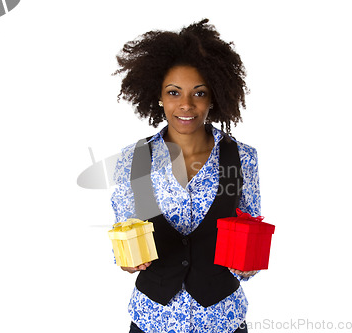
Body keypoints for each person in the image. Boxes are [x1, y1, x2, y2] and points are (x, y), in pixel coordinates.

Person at [111, 19, 261, 333]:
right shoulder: (133, 159)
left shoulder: (242, 157)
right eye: (174, 92)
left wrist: (248, 264)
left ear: (214, 97)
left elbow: (252, 226)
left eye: (199, 93)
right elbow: (124, 230)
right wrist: (126, 260)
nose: (186, 105)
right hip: (153, 320)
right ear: (159, 96)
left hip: (222, 319)